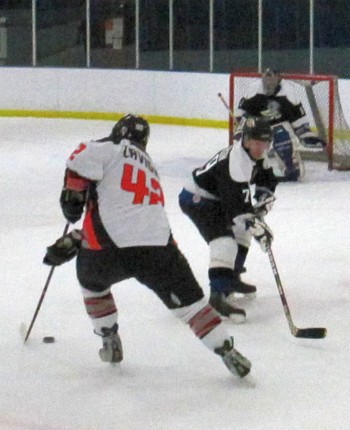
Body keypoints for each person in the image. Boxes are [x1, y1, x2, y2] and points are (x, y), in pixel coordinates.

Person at [43, 113, 251, 379]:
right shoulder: (150, 166)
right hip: (160, 249)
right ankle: (227, 351)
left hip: (108, 250)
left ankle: (108, 338)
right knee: (193, 306)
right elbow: (131, 216)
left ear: (118, 132)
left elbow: (78, 161)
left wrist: (72, 198)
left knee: (92, 284)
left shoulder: (110, 147)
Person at [179, 116, 277, 322]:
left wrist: (264, 196)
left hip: (217, 198)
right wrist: (255, 223)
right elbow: (235, 208)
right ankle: (218, 294)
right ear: (247, 140)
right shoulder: (236, 162)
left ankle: (231, 279)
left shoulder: (258, 153)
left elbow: (267, 177)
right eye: (257, 142)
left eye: (265, 143)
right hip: (196, 198)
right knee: (224, 242)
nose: (261, 148)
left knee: (242, 233)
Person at [235, 69, 327, 182]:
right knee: (250, 150)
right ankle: (252, 168)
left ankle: (290, 166)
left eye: (271, 78)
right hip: (258, 126)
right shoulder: (253, 90)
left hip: (280, 126)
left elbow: (298, 119)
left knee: (282, 136)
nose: (268, 82)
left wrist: (305, 135)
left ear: (279, 78)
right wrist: (241, 130)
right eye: (265, 77)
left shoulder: (289, 92)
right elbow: (241, 115)